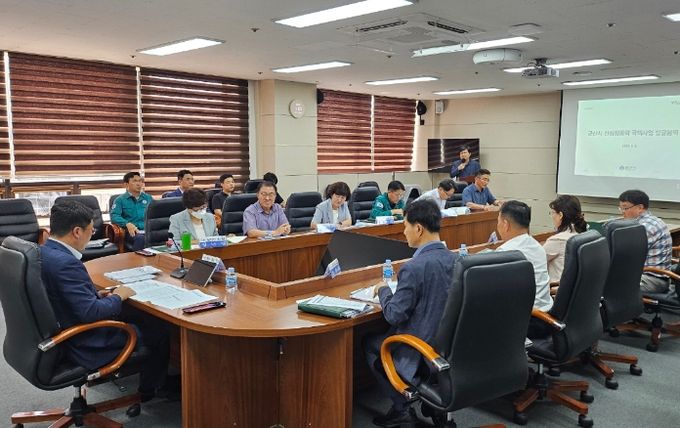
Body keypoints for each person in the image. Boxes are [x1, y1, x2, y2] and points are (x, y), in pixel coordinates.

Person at [41, 200, 170, 401]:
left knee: (136, 314)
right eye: (91, 231)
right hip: (86, 342)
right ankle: (151, 390)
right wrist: (119, 295)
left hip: (62, 328)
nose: (91, 235)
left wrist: (96, 295)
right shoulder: (66, 263)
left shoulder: (45, 252)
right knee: (159, 329)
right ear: (77, 232)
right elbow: (91, 313)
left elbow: (63, 295)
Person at [364, 200, 457, 427]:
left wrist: (383, 289)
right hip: (450, 348)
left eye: (405, 225)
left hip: (420, 349)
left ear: (419, 228)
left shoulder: (414, 267)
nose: (403, 231)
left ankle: (402, 408)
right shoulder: (458, 260)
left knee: (369, 343)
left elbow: (394, 315)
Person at [495, 200, 552, 339]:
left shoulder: (505, 252)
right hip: (547, 316)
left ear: (505, 224)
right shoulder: (537, 246)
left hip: (526, 322)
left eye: (498, 221)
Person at [618, 189, 673, 293]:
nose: (622, 212)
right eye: (620, 208)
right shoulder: (653, 220)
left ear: (640, 207)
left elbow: (628, 256)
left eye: (625, 208)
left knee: (610, 284)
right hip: (654, 276)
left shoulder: (644, 227)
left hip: (653, 280)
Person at [543, 195, 588, 283]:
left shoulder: (558, 240)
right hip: (575, 287)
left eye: (553, 212)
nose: (552, 216)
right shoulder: (584, 233)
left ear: (560, 215)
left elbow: (535, 260)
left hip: (555, 288)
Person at [110, 171, 153, 251]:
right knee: (141, 239)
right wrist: (127, 224)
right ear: (126, 185)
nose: (139, 184)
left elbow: (156, 214)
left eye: (140, 181)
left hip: (148, 230)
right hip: (132, 232)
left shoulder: (148, 198)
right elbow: (114, 216)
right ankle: (137, 259)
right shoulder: (120, 200)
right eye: (135, 181)